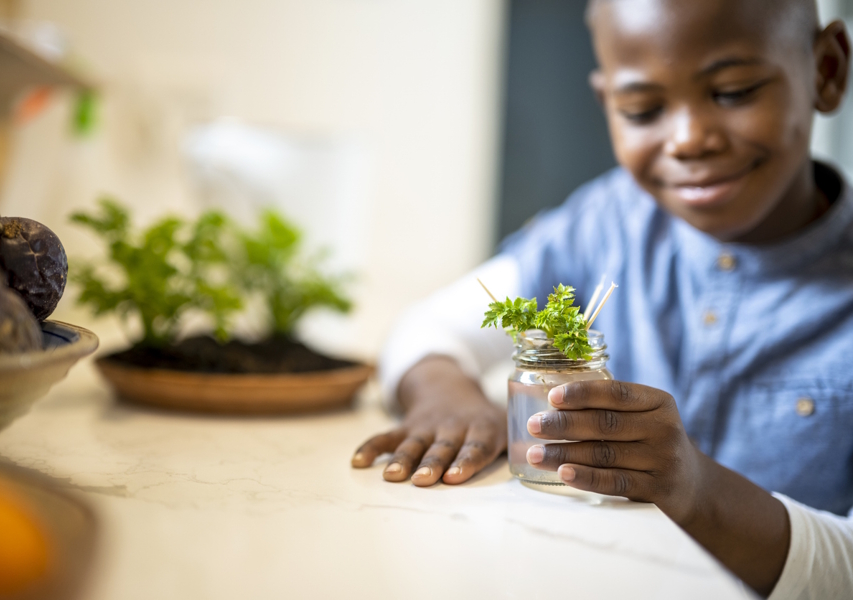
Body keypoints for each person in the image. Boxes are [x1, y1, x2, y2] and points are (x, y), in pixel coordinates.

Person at [350, 0, 853, 597]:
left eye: (734, 91)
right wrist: (446, 398)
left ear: (825, 71)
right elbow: (429, 327)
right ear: (607, 101)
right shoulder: (605, 223)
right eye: (642, 109)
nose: (690, 139)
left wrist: (696, 490)